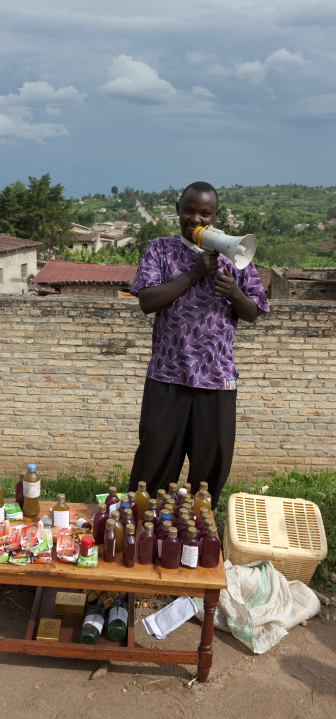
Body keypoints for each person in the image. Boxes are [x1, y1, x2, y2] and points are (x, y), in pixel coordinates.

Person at [128, 181, 269, 508]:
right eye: (188, 211)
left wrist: (234, 292)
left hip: (217, 380)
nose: (195, 219)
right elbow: (147, 301)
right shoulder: (159, 250)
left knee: (210, 471)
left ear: (216, 216)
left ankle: (194, 535)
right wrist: (192, 274)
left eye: (204, 213)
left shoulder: (236, 256)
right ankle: (144, 530)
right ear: (178, 211)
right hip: (167, 377)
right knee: (152, 467)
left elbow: (254, 313)